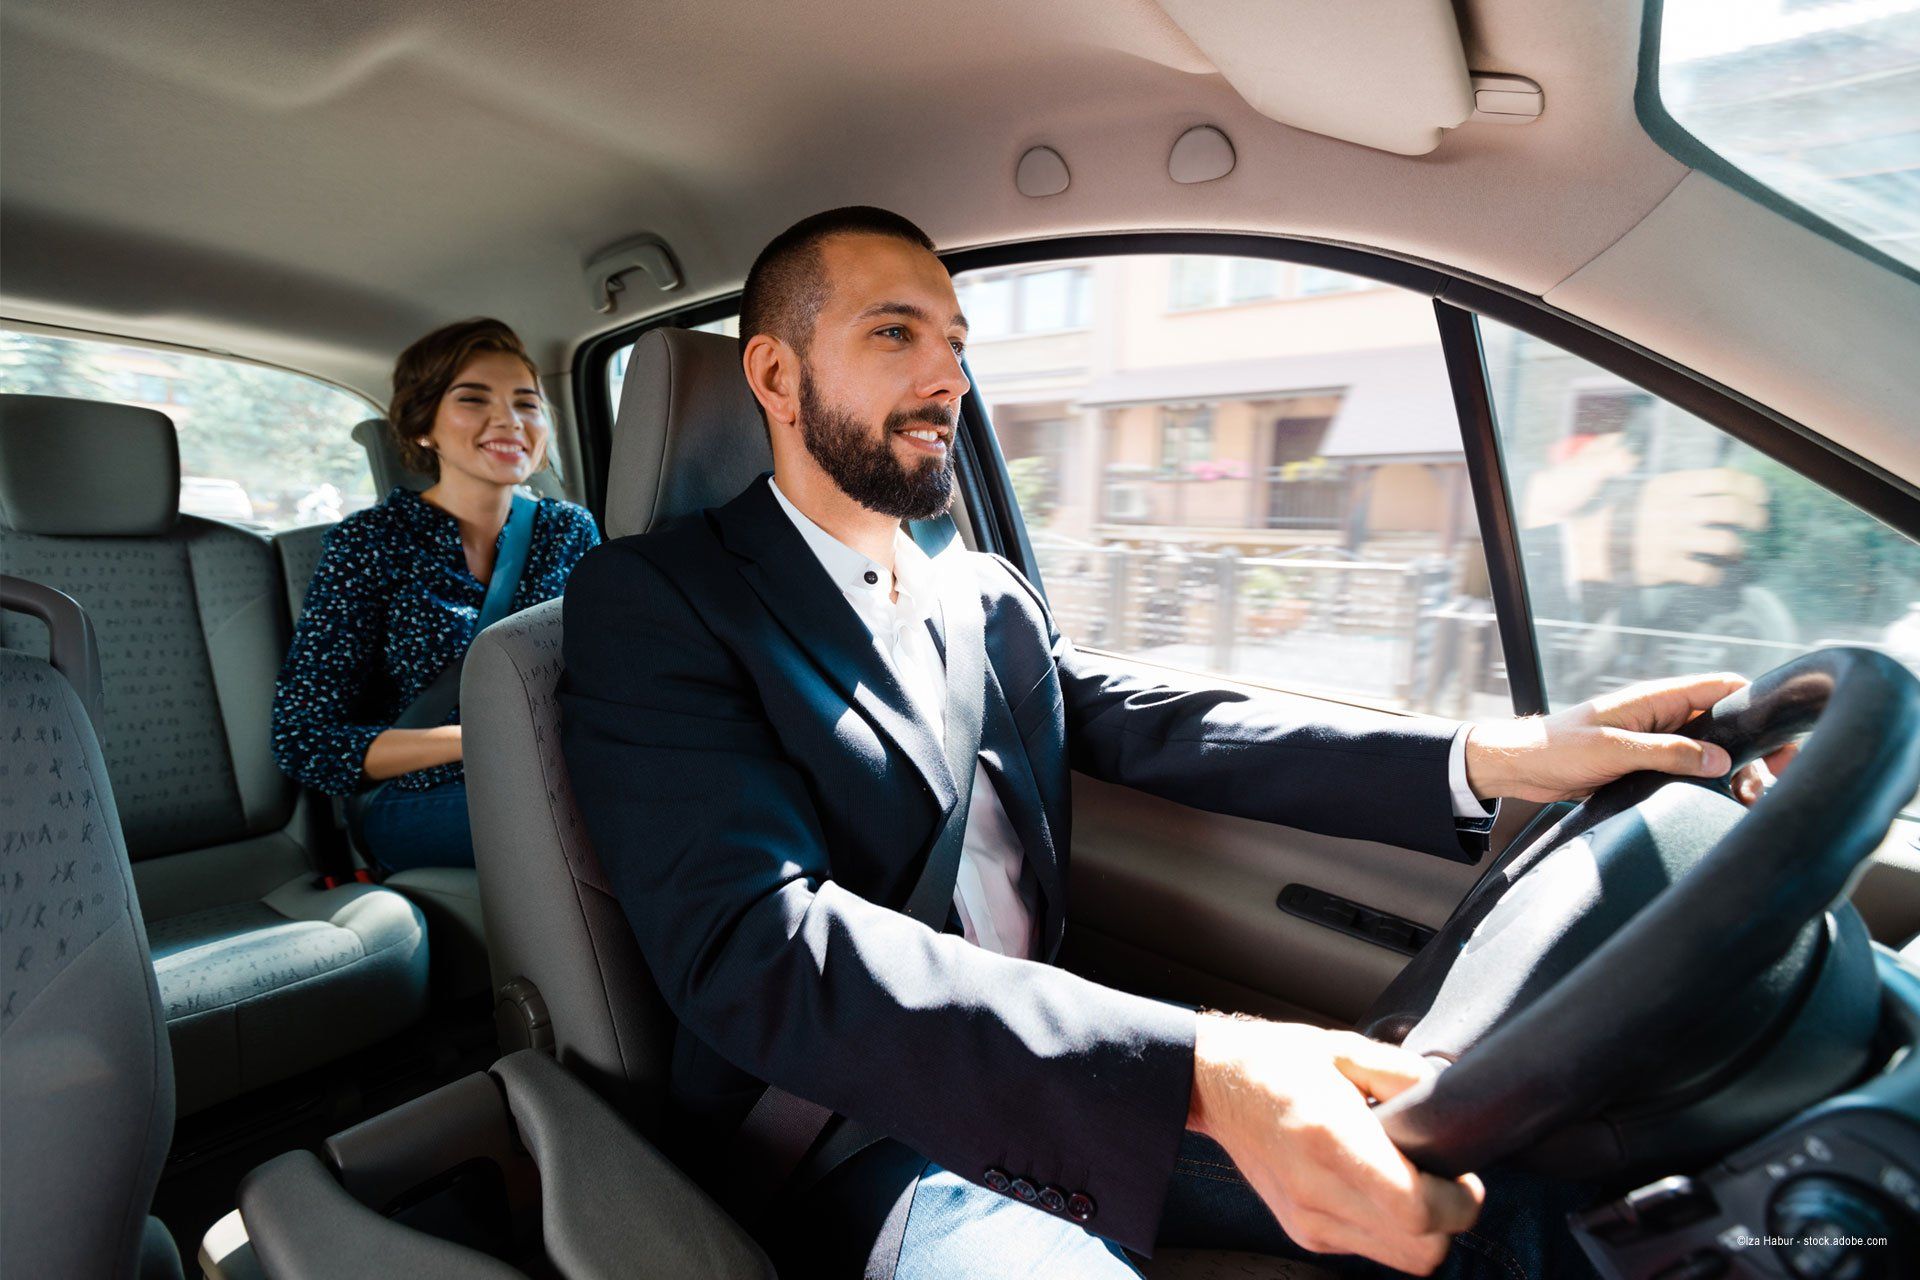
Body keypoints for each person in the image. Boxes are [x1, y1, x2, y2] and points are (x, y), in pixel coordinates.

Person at [558, 208, 1789, 1278]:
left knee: (1499, 1194)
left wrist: (1495, 755)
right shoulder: (656, 602)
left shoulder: (976, 589)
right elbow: (760, 950)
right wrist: (1203, 1065)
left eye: (956, 342)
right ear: (774, 377)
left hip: (1080, 1068)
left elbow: (1167, 723)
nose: (949, 378)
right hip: (864, 1132)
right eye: (895, 333)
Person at [273, 318, 600, 872]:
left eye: (527, 403)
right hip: (416, 797)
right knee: (607, 819)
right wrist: (474, 738)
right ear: (424, 424)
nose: (509, 420)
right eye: (474, 399)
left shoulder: (570, 531)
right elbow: (306, 739)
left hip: (561, 771)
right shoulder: (370, 542)